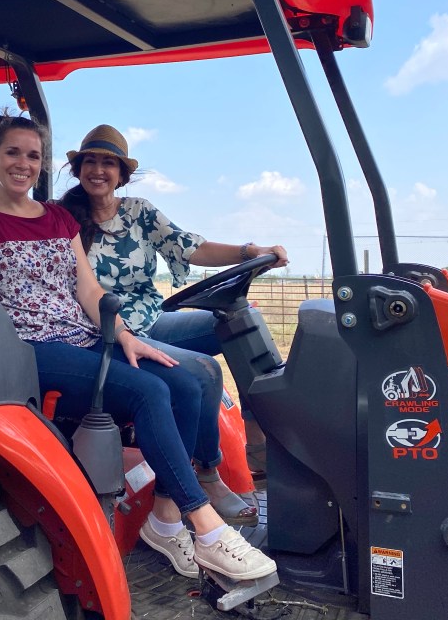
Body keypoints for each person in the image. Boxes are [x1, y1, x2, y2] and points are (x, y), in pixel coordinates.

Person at [0, 111, 276, 582]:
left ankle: (165, 522)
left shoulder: (59, 219)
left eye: (32, 155)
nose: (23, 163)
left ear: (41, 164)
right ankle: (208, 529)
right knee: (149, 392)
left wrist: (124, 336)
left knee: (184, 382)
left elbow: (88, 289)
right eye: (12, 153)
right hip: (31, 348)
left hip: (85, 336)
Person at [59, 125, 288, 489]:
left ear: (122, 175)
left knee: (242, 321)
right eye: (90, 161)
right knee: (204, 371)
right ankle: (207, 472)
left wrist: (249, 252)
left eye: (108, 163)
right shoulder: (61, 219)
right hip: (107, 330)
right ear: (78, 169)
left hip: (152, 320)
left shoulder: (139, 212)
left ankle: (261, 436)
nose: (98, 170)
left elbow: (192, 248)